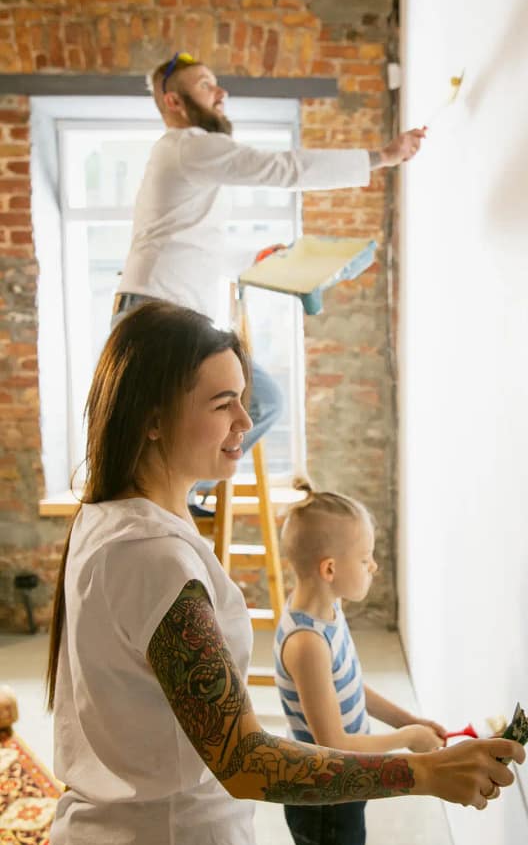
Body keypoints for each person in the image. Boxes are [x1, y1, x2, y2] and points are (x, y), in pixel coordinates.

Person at [46, 301, 525, 845]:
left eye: (243, 399)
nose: (246, 421)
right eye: (223, 404)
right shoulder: (150, 553)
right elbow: (245, 762)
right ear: (152, 417)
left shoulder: (112, 514)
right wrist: (421, 772)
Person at [113, 51, 427, 511]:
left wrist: (256, 257)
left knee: (260, 402)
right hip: (158, 312)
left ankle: (184, 488)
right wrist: (382, 156)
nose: (221, 93)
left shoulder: (187, 161)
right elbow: (283, 169)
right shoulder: (188, 145)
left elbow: (198, 250)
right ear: (174, 102)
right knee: (234, 407)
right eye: (205, 85)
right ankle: (166, 493)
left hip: (174, 312)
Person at [274, 481, 447, 845]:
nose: (373, 565)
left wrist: (407, 717)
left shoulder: (327, 610)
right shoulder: (307, 642)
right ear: (330, 569)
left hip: (341, 789)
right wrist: (406, 739)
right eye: (366, 556)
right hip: (325, 797)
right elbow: (332, 740)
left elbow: (351, 689)